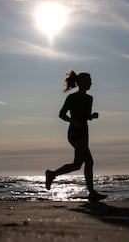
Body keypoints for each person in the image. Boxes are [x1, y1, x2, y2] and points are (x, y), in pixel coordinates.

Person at [45, 70, 107, 202]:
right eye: (89, 81)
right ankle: (91, 192)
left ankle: (52, 174)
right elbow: (61, 114)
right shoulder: (72, 98)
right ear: (80, 83)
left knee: (77, 164)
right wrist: (72, 121)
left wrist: (92, 116)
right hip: (74, 132)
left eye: (91, 81)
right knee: (89, 161)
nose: (91, 83)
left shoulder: (90, 98)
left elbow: (85, 116)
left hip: (84, 132)